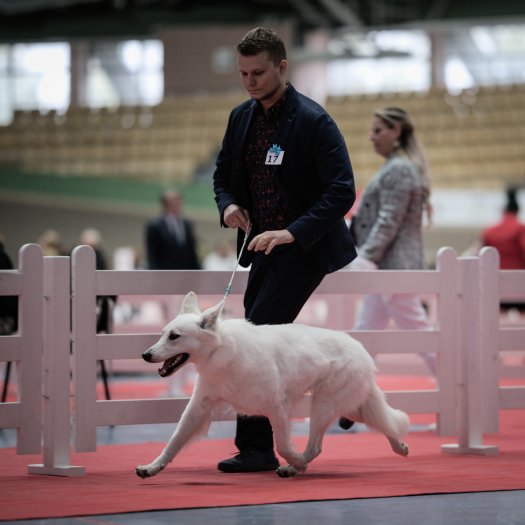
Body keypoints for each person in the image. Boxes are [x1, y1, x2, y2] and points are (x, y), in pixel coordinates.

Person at [213, 27, 357, 473]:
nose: (250, 80)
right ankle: (349, 396)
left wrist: (293, 232)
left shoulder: (314, 121)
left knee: (254, 338)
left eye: (258, 72)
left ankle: (256, 447)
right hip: (258, 247)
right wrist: (230, 205)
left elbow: (342, 191)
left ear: (282, 66)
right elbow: (221, 177)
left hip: (304, 247)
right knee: (258, 337)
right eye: (243, 73)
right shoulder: (240, 118)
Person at [340, 107, 436, 432]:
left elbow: (388, 221)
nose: (372, 136)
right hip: (386, 267)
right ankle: (352, 399)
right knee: (366, 333)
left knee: (422, 338)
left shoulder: (399, 169)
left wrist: (365, 256)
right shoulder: (397, 168)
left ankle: (462, 391)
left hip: (392, 268)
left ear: (396, 131)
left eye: (378, 130)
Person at [481, 186, 525, 311]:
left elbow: (483, 258)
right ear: (517, 211)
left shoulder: (489, 231)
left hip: (495, 283)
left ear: (503, 211)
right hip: (519, 284)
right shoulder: (521, 229)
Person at [145, 190, 200, 270]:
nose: (177, 203)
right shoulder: (155, 225)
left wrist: (197, 271)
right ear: (165, 203)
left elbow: (192, 253)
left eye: (178, 200)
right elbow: (152, 254)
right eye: (172, 201)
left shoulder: (187, 224)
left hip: (185, 272)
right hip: (165, 272)